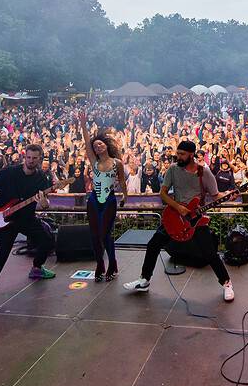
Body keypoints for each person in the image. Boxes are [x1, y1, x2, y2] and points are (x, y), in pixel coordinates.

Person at [124, 140, 235, 302]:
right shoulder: (173, 170)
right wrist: (178, 207)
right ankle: (144, 280)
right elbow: (163, 194)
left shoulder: (204, 173)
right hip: (174, 217)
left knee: (210, 253)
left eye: (182, 154)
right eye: (178, 153)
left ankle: (227, 283)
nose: (178, 156)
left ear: (191, 155)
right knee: (153, 245)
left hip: (196, 219)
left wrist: (230, 195)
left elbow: (216, 195)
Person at [0, 144, 55, 311]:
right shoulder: (9, 172)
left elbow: (45, 203)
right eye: (29, 157)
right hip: (5, 220)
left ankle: (37, 268)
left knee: (47, 239)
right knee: (2, 255)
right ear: (25, 157)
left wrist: (44, 202)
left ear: (40, 159)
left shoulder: (42, 178)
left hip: (26, 218)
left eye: (35, 158)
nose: (31, 161)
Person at [79, 111, 127, 282]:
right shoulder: (94, 162)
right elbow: (86, 142)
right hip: (93, 200)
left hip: (110, 200)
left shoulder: (117, 163)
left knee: (105, 234)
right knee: (94, 234)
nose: (97, 146)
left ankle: (112, 263)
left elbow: (121, 180)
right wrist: (84, 125)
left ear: (106, 145)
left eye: (100, 144)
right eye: (95, 146)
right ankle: (100, 263)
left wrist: (125, 196)